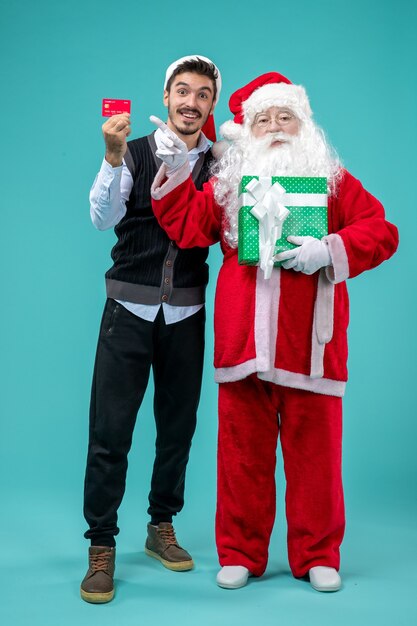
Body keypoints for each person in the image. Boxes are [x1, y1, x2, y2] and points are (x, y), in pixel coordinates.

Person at [150, 72, 399, 592]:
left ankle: (318, 554)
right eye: (263, 119)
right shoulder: (228, 183)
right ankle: (240, 551)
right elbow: (190, 227)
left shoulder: (331, 179)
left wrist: (327, 250)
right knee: (242, 457)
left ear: (304, 124)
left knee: (317, 459)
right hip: (243, 341)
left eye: (285, 116)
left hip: (312, 345)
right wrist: (173, 169)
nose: (275, 127)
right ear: (249, 130)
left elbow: (381, 229)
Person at [81, 55, 222, 604]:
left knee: (177, 429)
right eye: (181, 91)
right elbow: (102, 217)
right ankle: (101, 545)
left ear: (212, 104)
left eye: (203, 94)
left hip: (186, 313)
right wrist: (113, 157)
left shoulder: (222, 162)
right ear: (165, 98)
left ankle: (160, 524)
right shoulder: (135, 151)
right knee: (110, 433)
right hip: (128, 312)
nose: (191, 102)